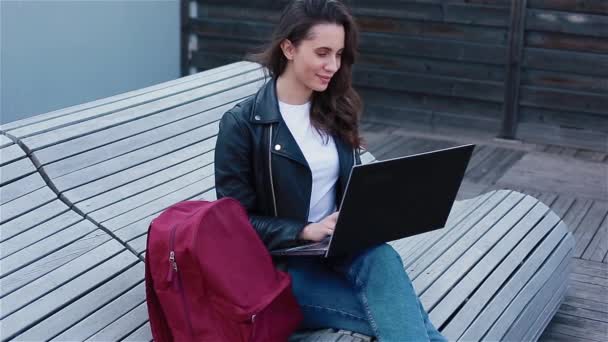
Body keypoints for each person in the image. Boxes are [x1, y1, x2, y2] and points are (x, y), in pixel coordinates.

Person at [214, 0, 447, 341]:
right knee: (405, 318)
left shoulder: (335, 110)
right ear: (289, 47)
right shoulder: (243, 124)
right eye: (322, 52)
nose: (332, 66)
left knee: (381, 258)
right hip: (283, 269)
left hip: (340, 251)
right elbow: (235, 224)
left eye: (338, 55)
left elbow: (351, 189)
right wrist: (304, 230)